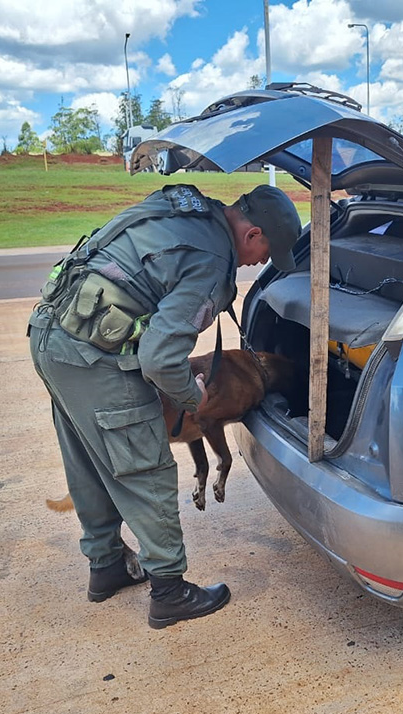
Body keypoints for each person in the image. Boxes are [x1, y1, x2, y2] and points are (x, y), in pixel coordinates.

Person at [28, 183, 300, 628]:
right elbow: (160, 359)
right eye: (267, 253)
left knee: (90, 462)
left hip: (53, 336)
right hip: (95, 356)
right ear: (253, 234)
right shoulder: (212, 261)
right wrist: (194, 396)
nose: (260, 263)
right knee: (145, 470)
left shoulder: (185, 208)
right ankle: (170, 592)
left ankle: (107, 565)